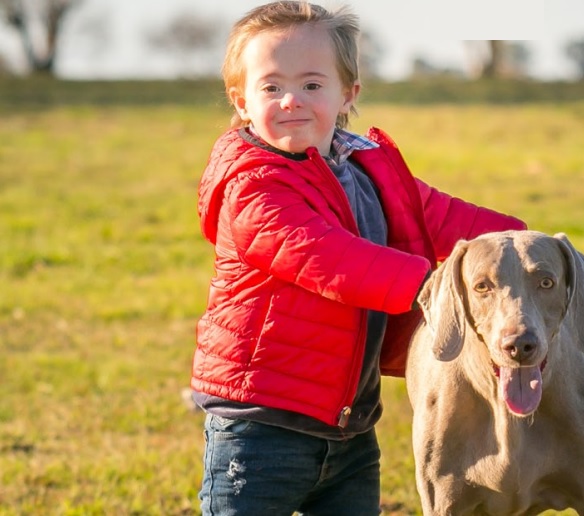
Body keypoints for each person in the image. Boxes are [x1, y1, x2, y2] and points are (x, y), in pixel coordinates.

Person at [190, 1, 526, 514]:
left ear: (348, 94)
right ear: (241, 101)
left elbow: (440, 216)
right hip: (258, 427)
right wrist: (431, 286)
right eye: (271, 86)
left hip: (350, 425)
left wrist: (526, 245)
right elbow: (327, 257)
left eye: (312, 85)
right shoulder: (252, 187)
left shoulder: (366, 169)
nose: (290, 101)